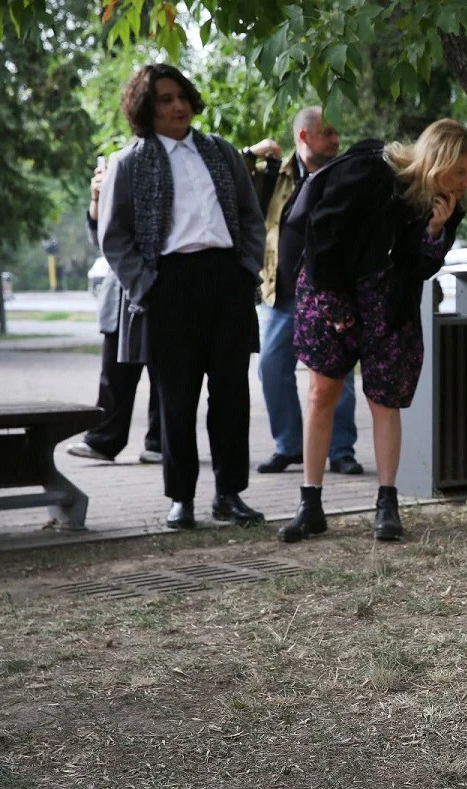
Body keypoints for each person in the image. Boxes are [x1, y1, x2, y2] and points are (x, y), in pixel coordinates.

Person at [277, 119, 467, 543]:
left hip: (389, 305)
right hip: (331, 291)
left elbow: (423, 267)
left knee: (385, 401)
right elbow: (323, 234)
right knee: (322, 394)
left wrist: (435, 231)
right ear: (436, 160)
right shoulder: (372, 170)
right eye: (460, 170)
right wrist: (333, 303)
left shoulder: (447, 203)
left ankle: (387, 504)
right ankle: (310, 503)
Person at [97, 63, 267, 530]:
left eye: (181, 97)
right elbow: (114, 238)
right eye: (164, 100)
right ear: (146, 110)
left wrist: (246, 267)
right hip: (169, 286)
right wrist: (148, 287)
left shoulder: (220, 152)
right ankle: (181, 498)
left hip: (227, 281)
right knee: (176, 398)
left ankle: (230, 495)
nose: (177, 106)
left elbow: (252, 217)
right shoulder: (129, 163)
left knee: (231, 395)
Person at [240, 107, 363, 477]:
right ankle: (289, 446)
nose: (337, 140)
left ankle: (340, 450)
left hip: (331, 293)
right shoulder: (275, 175)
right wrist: (251, 154)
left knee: (335, 374)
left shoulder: (345, 174)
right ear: (304, 136)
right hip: (282, 294)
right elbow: (231, 182)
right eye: (329, 132)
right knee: (270, 368)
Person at [67, 159, 163, 466]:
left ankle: (161, 442)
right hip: (119, 292)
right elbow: (100, 239)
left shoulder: (156, 187)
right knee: (113, 374)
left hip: (157, 286)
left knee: (165, 373)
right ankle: (103, 440)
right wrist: (98, 197)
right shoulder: (112, 187)